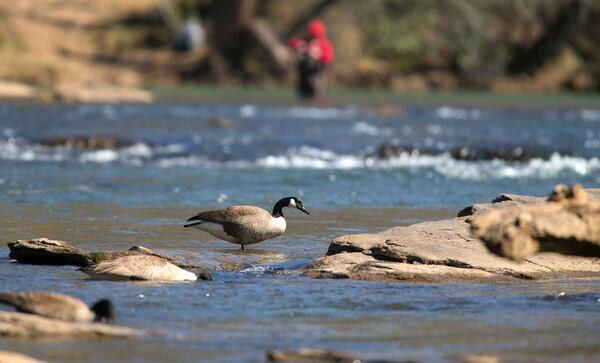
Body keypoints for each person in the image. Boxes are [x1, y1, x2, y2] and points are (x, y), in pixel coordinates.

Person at [288, 20, 334, 99]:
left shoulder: (324, 44)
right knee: (302, 93)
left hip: (317, 75)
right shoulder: (305, 41)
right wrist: (299, 46)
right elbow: (291, 43)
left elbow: (328, 61)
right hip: (303, 78)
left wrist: (318, 54)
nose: (313, 38)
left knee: (315, 91)